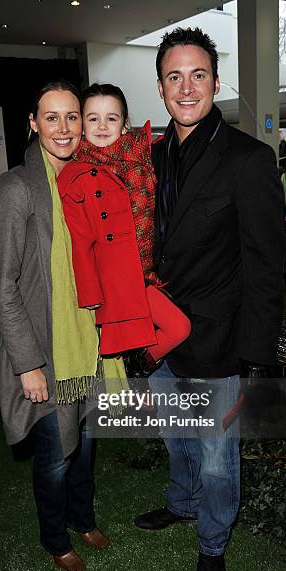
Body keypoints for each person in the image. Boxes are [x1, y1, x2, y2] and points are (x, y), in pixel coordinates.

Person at [133, 28, 286, 571]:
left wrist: (257, 356)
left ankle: (213, 544)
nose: (187, 87)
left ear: (217, 83)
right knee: (175, 438)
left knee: (219, 461)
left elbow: (266, 266)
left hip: (220, 344)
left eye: (198, 75)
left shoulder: (249, 160)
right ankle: (182, 505)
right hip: (158, 336)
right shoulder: (149, 157)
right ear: (161, 87)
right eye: (175, 77)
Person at [0, 80, 122, 571]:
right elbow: (3, 285)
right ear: (33, 123)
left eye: (72, 117)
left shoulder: (86, 181)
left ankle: (83, 516)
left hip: (86, 345)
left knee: (86, 445)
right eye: (52, 117)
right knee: (54, 456)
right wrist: (28, 364)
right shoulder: (16, 188)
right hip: (44, 351)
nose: (64, 129)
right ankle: (54, 536)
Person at [57, 83, 190, 372]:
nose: (102, 126)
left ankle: (134, 368)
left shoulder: (144, 156)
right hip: (117, 283)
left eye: (112, 118)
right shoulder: (76, 175)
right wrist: (91, 295)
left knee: (173, 332)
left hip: (148, 272)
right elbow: (80, 242)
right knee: (179, 327)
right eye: (93, 118)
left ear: (125, 124)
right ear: (81, 123)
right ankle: (135, 369)